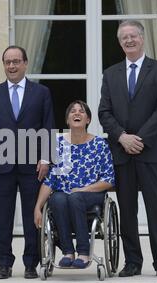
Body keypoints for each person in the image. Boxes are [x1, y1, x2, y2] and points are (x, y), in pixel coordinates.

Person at [98, 20, 157, 278]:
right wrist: (121, 137)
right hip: (121, 152)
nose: (129, 40)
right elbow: (104, 112)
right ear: (119, 43)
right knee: (127, 210)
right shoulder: (111, 74)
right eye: (124, 37)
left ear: (142, 39)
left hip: (150, 152)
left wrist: (138, 138)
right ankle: (132, 262)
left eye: (133, 36)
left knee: (156, 208)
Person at [0, 45, 55, 279]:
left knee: (34, 215)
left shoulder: (41, 92)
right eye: (7, 62)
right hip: (3, 164)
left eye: (16, 61)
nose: (11, 66)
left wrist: (46, 158)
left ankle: (31, 263)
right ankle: (4, 263)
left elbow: (48, 126)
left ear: (25, 63)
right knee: (3, 216)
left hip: (33, 166)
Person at [34, 101, 115, 268]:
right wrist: (38, 207)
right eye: (72, 111)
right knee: (57, 199)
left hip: (91, 194)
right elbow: (50, 180)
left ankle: (84, 253)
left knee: (75, 197)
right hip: (65, 196)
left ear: (88, 120)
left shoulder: (99, 145)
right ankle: (68, 252)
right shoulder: (59, 145)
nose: (77, 113)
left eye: (81, 111)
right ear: (67, 120)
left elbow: (108, 180)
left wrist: (84, 189)